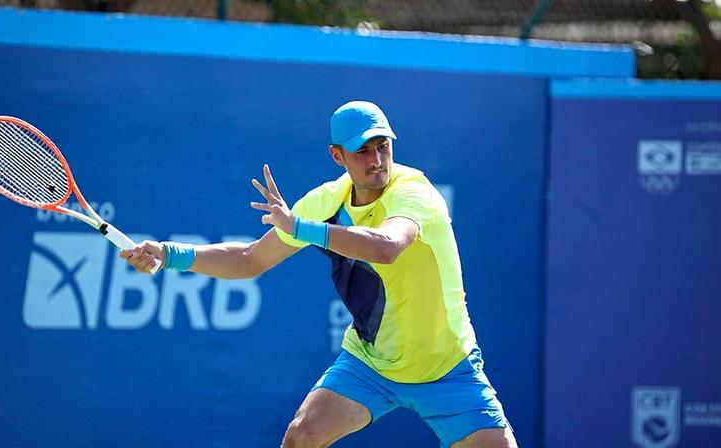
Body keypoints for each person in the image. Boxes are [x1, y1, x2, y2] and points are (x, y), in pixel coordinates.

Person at [121, 101, 517, 448]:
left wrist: (301, 228)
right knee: (302, 435)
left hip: (448, 367)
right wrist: (168, 254)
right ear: (337, 156)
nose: (377, 160)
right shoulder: (325, 202)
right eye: (362, 151)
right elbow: (248, 260)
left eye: (383, 146)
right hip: (371, 365)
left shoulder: (414, 191)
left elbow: (386, 247)